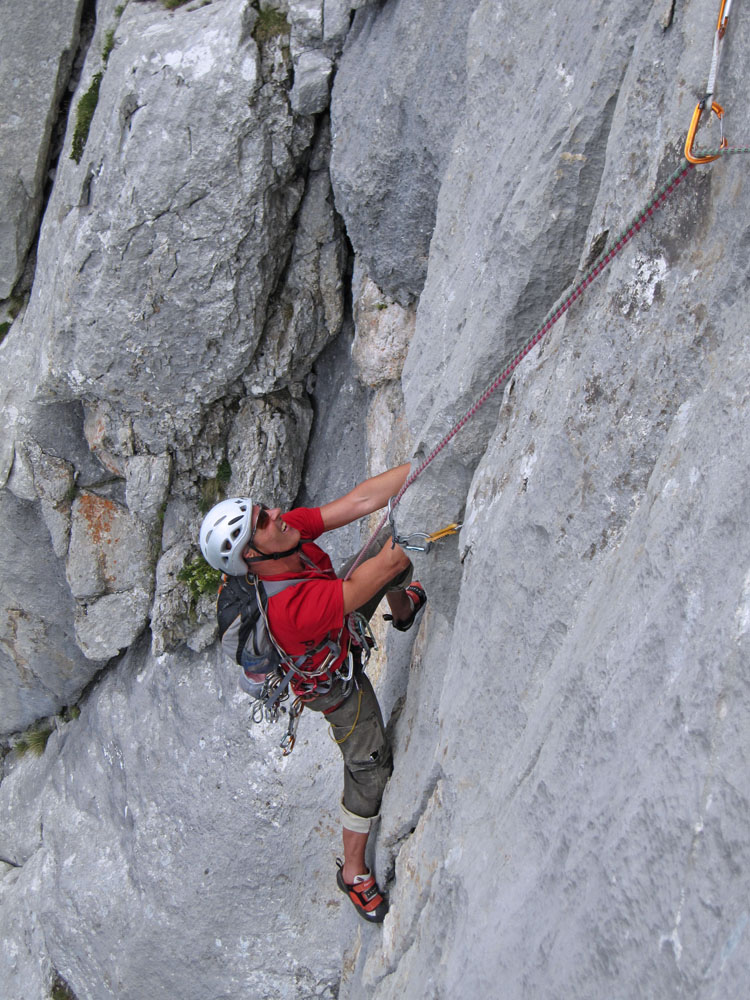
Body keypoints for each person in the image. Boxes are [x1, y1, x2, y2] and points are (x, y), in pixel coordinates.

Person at [199, 462, 427, 923]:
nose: (277, 514)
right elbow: (391, 560)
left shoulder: (286, 536)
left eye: (263, 510)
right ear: (251, 559)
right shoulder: (289, 608)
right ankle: (355, 872)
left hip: (335, 619)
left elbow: (360, 501)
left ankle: (403, 612)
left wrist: (418, 467)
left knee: (382, 558)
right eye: (262, 521)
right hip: (332, 683)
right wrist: (432, 497)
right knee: (369, 768)